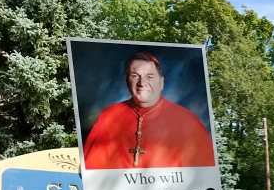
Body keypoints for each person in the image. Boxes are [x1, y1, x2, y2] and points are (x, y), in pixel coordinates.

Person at [84, 52, 216, 169]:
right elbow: (92, 170)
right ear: (127, 80)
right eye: (135, 76)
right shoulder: (109, 116)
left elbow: (201, 177)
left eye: (150, 77)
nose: (142, 82)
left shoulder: (187, 120)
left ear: (161, 82)